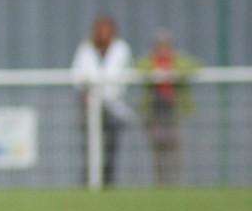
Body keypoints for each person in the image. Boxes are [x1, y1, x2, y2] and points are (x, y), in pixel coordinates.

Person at [70, 14, 134, 187]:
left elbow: (124, 77)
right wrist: (87, 94)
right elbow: (77, 76)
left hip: (113, 106)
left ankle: (108, 182)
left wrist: (107, 92)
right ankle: (89, 182)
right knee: (90, 149)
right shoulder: (85, 48)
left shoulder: (121, 49)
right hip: (91, 105)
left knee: (111, 148)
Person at [136, 30, 202, 185]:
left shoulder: (179, 60)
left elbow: (196, 66)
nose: (162, 48)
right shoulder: (149, 61)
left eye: (166, 44)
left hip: (173, 113)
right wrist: (154, 73)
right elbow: (138, 68)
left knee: (175, 150)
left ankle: (176, 184)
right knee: (158, 151)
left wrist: (173, 73)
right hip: (154, 113)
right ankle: (161, 184)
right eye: (159, 45)